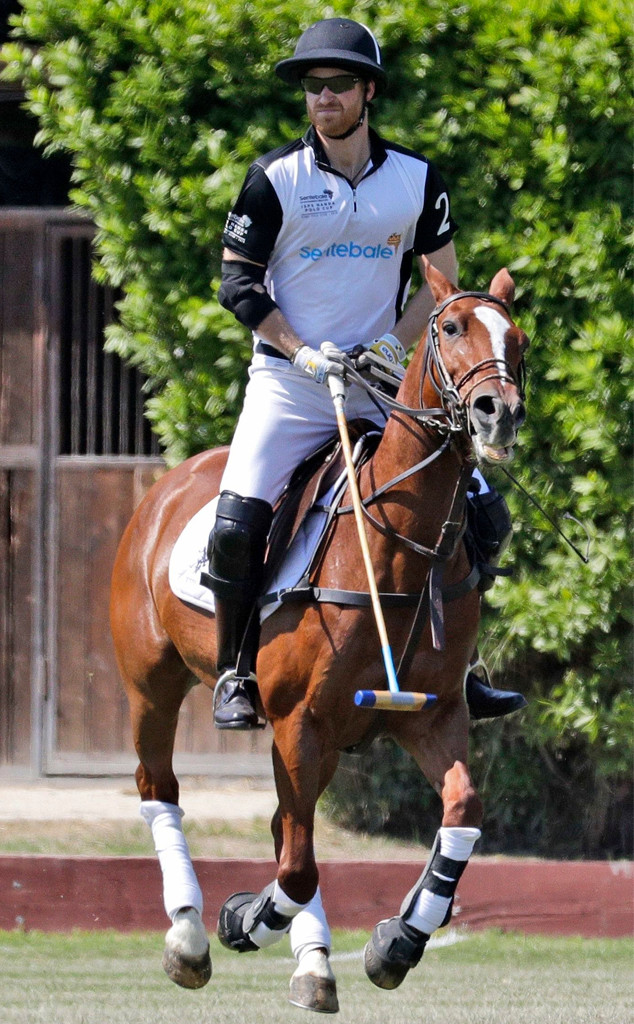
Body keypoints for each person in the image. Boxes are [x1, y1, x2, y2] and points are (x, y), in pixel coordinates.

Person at [204, 17, 526, 728]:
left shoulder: (416, 180)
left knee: (483, 511)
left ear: (367, 90)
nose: (323, 98)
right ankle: (234, 671)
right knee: (235, 523)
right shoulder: (273, 180)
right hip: (292, 384)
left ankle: (463, 668)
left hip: (381, 386)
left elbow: (441, 284)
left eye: (338, 84)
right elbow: (238, 285)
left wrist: (390, 344)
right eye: (313, 86)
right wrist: (300, 350)